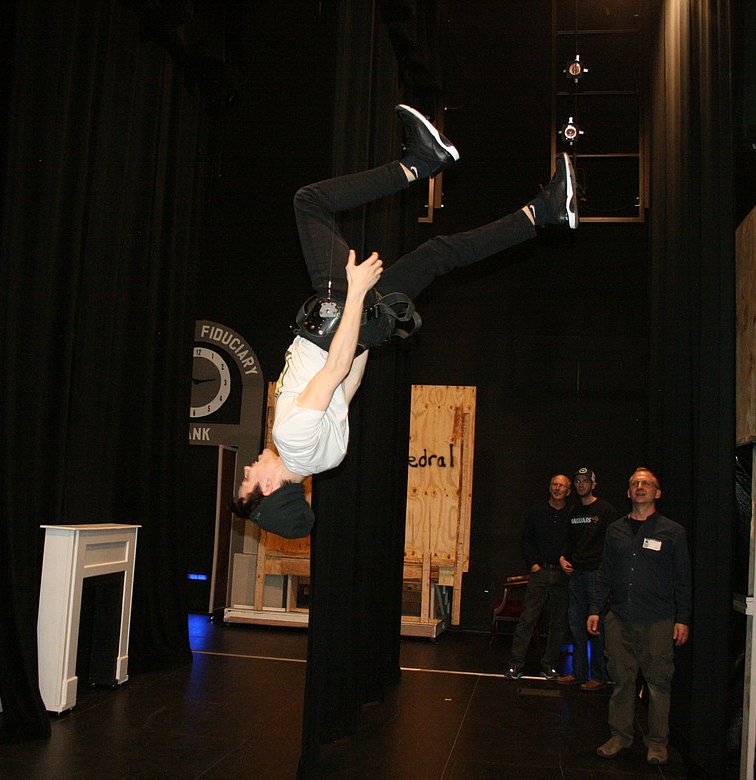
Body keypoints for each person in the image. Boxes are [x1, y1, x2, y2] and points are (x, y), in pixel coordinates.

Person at [231, 104, 579, 538]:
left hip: (356, 330)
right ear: (267, 486)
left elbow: (349, 386)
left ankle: (543, 213)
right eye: (248, 478)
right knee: (310, 202)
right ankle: (420, 163)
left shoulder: (325, 460)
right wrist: (357, 295)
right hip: (342, 317)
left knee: (436, 256)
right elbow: (337, 370)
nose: (248, 467)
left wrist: (371, 331)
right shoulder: (291, 439)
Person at [590, 468, 691, 766]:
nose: (640, 487)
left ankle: (658, 743)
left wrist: (682, 618)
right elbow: (604, 573)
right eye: (635, 483)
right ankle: (620, 737)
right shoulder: (616, 530)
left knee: (659, 684)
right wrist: (595, 610)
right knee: (622, 681)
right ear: (628, 493)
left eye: (646, 483)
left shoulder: (672, 532)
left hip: (658, 620)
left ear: (657, 493)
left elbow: (683, 579)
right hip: (619, 618)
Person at [556, 467, 618, 689]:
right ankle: (579, 672)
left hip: (596, 575)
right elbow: (569, 542)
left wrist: (605, 572)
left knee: (597, 624)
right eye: (578, 481)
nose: (581, 484)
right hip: (576, 574)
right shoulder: (573, 511)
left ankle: (599, 676)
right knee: (576, 624)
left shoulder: (606, 510)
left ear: (594, 484)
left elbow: (613, 545)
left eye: (585, 481)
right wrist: (563, 558)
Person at [505, 474, 572, 680]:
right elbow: (526, 540)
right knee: (527, 619)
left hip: (563, 576)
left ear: (568, 491)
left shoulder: (573, 513)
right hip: (540, 573)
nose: (557, 488)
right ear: (549, 487)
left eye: (562, 486)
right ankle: (515, 664)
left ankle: (549, 665)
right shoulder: (538, 511)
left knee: (558, 622)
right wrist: (533, 565)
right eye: (554, 484)